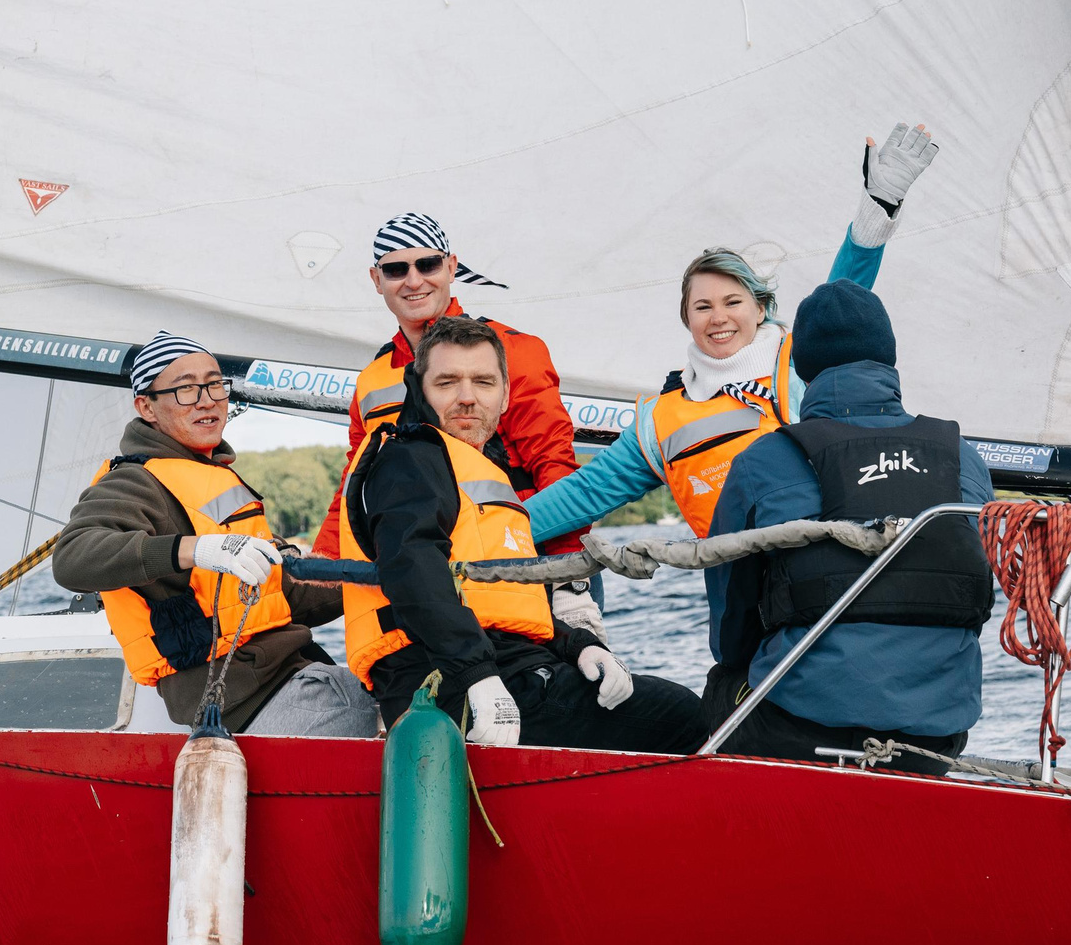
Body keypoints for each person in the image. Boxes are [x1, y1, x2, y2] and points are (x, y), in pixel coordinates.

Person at [525, 123, 941, 553]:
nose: (718, 318)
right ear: (687, 319)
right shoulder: (658, 422)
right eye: (702, 307)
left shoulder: (800, 361)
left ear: (760, 309)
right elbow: (585, 493)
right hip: (744, 587)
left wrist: (877, 209)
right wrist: (492, 536)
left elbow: (844, 291)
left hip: (838, 567)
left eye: (733, 302)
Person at [337, 315, 706, 753]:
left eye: (484, 382)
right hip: (441, 680)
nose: (467, 397)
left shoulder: (478, 469)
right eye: (447, 382)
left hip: (506, 663)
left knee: (658, 710)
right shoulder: (409, 459)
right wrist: (476, 675)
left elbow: (505, 602)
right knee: (684, 716)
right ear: (418, 388)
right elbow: (413, 570)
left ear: (506, 394)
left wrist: (579, 645)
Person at [706, 281, 995, 772]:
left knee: (723, 682)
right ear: (888, 355)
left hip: (798, 727)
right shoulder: (963, 459)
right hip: (935, 736)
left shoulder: (764, 460)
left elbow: (730, 631)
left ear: (802, 368)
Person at [54, 330, 378, 737]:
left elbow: (284, 592)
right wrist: (198, 549)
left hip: (287, 673)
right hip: (240, 698)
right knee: (382, 717)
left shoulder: (213, 478)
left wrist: (384, 577)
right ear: (146, 407)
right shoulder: (135, 482)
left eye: (214, 384)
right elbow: (72, 557)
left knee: (402, 687)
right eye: (185, 389)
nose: (206, 400)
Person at [309, 213, 604, 634]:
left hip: (529, 566)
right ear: (376, 280)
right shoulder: (371, 380)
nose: (413, 280)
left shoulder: (514, 350)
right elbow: (355, 480)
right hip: (427, 576)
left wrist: (568, 578)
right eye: (396, 269)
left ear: (451, 267)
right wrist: (320, 564)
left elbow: (553, 464)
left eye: (427, 264)